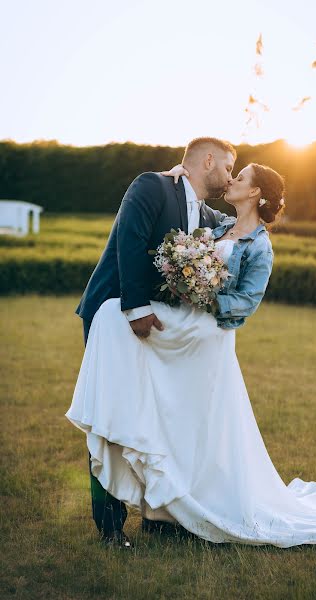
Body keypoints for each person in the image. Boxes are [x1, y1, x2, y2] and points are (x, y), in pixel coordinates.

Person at [66, 160, 316, 549]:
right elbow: (193, 199)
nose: (231, 179)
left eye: (241, 176)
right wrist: (178, 174)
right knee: (171, 417)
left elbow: (246, 302)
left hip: (206, 332)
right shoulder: (217, 222)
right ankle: (165, 507)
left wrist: (202, 296)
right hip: (183, 327)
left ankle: (185, 504)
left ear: (254, 193)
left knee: (198, 423)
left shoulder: (260, 246)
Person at [73, 137, 236, 547]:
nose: (230, 176)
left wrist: (253, 197)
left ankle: (158, 514)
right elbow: (130, 240)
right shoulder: (152, 185)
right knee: (113, 415)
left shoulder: (206, 212)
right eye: (230, 167)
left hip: (155, 327)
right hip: (115, 314)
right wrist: (136, 308)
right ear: (209, 160)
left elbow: (242, 227)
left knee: (155, 418)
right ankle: (109, 528)